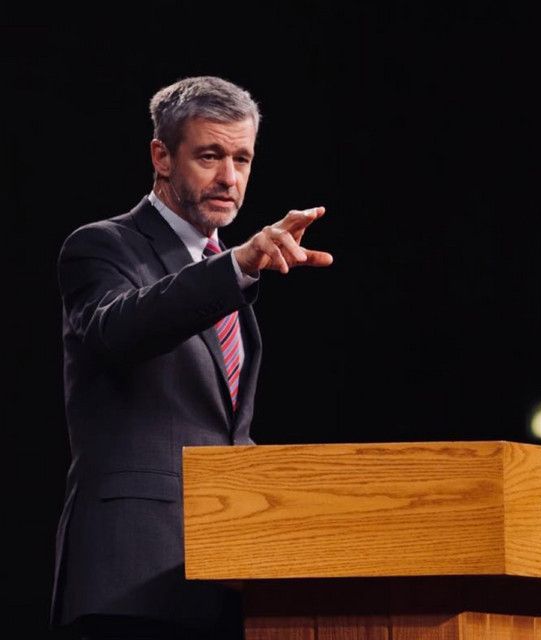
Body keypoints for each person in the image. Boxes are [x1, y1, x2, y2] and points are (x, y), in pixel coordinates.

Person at [50, 75, 333, 639]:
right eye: (209, 155)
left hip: (223, 577)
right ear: (161, 155)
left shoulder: (229, 271)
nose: (229, 178)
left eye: (242, 159)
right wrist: (235, 268)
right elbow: (120, 329)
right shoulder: (103, 246)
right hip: (129, 580)